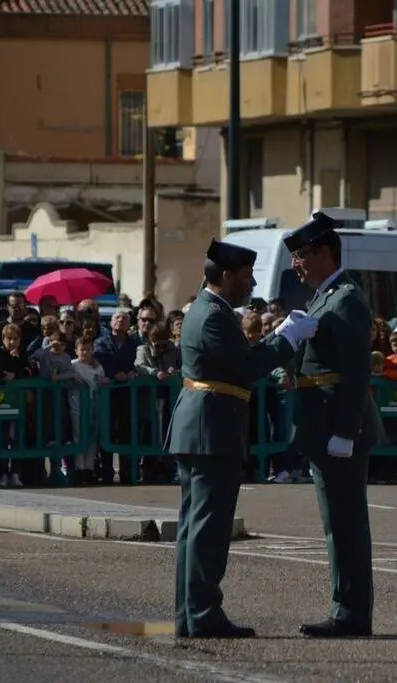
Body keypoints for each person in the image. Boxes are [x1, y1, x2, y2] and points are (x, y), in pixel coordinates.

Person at [168, 239, 317, 639]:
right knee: (208, 529)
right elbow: (247, 366)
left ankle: (190, 613)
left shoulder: (207, 309)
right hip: (210, 429)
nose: (252, 283)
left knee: (195, 528)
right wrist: (287, 337)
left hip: (203, 427)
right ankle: (202, 614)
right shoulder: (214, 314)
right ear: (228, 275)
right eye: (247, 275)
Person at [283, 211, 379, 638]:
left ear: (324, 253)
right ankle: (347, 608)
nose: (295, 265)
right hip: (321, 425)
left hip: (338, 429)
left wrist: (346, 431)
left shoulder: (345, 299)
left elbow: (356, 373)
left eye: (302, 255)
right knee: (336, 522)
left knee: (345, 523)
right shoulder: (327, 297)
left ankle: (351, 614)